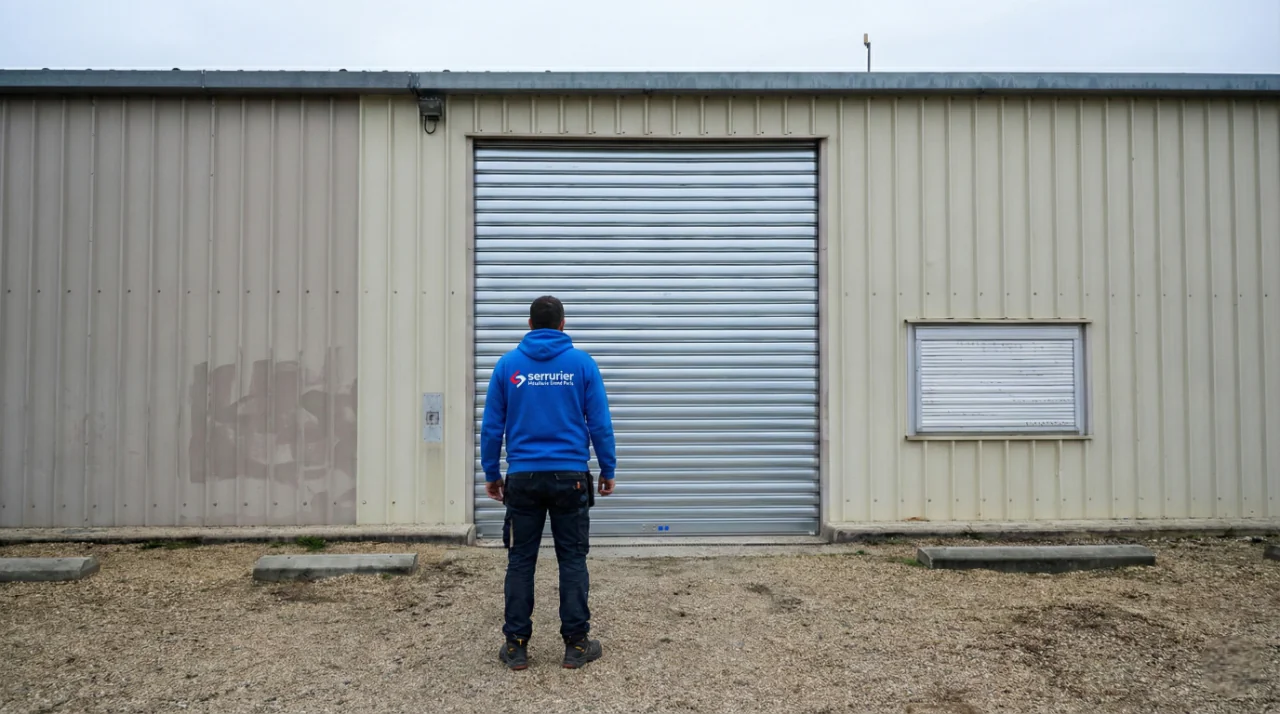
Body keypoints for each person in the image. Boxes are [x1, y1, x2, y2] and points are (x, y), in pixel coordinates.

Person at [480, 295, 617, 671]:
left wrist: (491, 473)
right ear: (562, 323)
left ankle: (516, 647)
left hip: (523, 478)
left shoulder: (508, 365)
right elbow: (600, 423)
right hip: (570, 478)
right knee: (572, 560)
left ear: (529, 324)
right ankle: (575, 646)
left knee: (521, 560)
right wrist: (607, 469)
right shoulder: (581, 364)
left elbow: (492, 426)